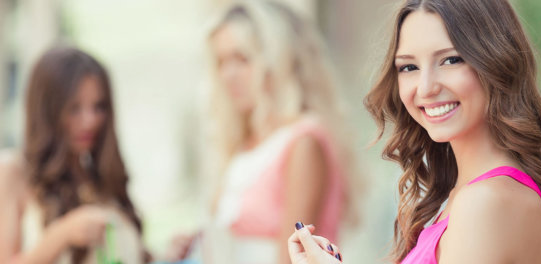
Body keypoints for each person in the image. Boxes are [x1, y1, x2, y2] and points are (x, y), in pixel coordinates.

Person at [288, 0, 541, 263]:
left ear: (496, 62)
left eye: (451, 60)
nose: (426, 87)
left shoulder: (486, 201)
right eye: (408, 67)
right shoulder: (467, 195)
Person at [165, 1, 358, 264]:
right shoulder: (243, 144)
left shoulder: (304, 141)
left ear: (278, 60)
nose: (228, 74)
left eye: (242, 59)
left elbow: (290, 257)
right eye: (221, 62)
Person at [0, 47, 147, 264]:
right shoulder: (13, 172)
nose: (90, 121)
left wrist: (165, 256)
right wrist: (62, 235)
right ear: (47, 110)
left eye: (99, 107)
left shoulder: (100, 175)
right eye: (74, 108)